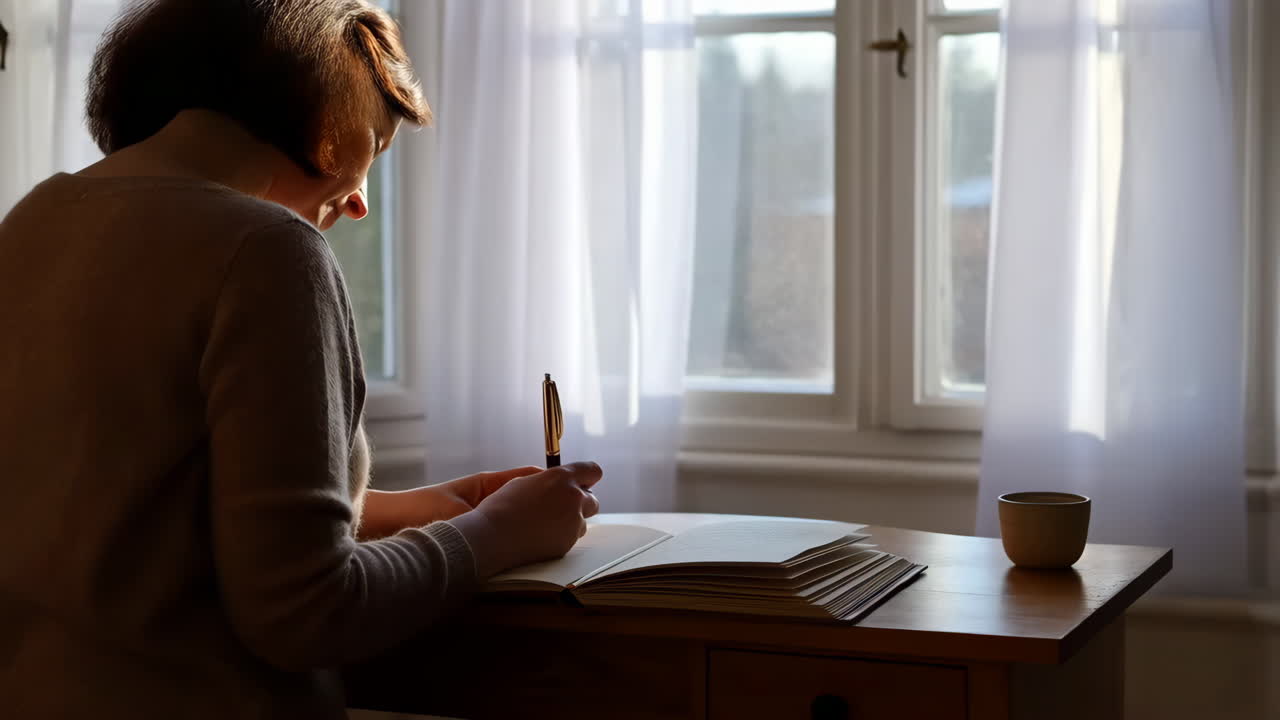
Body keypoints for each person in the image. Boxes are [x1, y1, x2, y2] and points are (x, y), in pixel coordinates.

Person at [0, 1, 601, 718]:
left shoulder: (32, 223)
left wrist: (411, 512)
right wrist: (493, 536)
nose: (358, 204)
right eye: (373, 149)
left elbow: (136, 517)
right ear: (330, 125)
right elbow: (306, 613)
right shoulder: (266, 250)